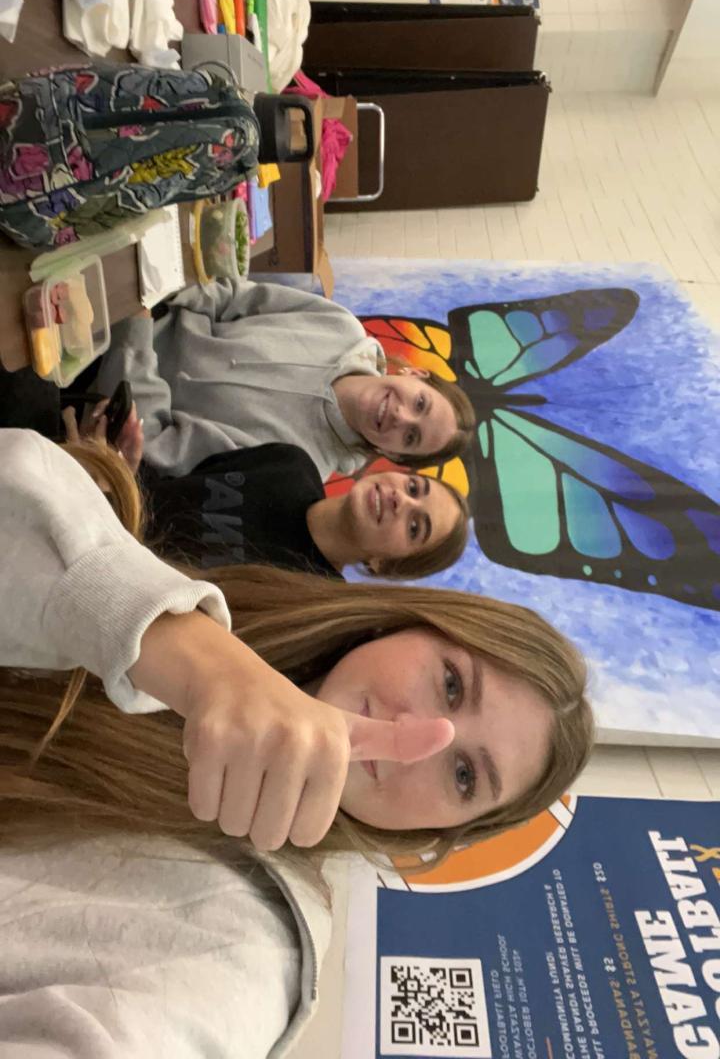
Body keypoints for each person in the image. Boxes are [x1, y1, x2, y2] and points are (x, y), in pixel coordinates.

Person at [0, 428, 593, 1056]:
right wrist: (172, 643)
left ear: (440, 832)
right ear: (410, 624)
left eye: (464, 775)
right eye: (450, 684)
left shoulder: (249, 943)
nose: (419, 738)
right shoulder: (244, 589)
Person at [93, 278, 475, 478]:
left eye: (410, 437)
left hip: (94, 386)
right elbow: (232, 296)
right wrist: (152, 293)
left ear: (393, 455)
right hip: (138, 297)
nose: (401, 417)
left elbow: (159, 446)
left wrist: (135, 332)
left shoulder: (297, 468)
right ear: (415, 374)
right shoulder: (341, 325)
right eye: (420, 403)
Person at [143, 441, 470, 579]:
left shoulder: (306, 599)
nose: (402, 501)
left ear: (385, 564)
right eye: (413, 488)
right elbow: (172, 483)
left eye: (415, 527)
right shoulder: (290, 463)